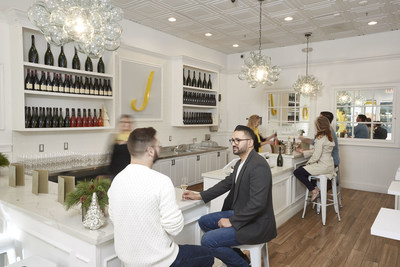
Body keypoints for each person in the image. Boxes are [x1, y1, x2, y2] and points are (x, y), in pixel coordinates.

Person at [108, 127, 214, 267]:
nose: (160, 148)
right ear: (150, 151)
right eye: (158, 145)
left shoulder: (117, 181)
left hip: (128, 261)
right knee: (208, 255)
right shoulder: (161, 181)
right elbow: (174, 228)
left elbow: (113, 217)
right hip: (161, 261)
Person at [183, 125, 277, 267]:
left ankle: (241, 265)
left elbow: (258, 203)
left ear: (250, 142)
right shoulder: (241, 162)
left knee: (208, 240)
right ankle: (241, 259)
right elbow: (226, 183)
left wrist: (232, 220)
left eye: (238, 140)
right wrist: (200, 195)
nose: (233, 143)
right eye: (232, 140)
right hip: (244, 215)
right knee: (204, 221)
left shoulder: (259, 165)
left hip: (257, 224)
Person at [294, 116, 335, 201]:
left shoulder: (320, 138)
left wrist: (308, 163)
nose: (315, 127)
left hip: (323, 166)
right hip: (329, 165)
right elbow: (317, 151)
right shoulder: (328, 137)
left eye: (315, 125)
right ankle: (315, 188)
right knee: (302, 169)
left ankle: (313, 190)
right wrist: (304, 151)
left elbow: (316, 155)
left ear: (319, 126)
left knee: (297, 172)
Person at [109, 114, 134, 179]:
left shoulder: (133, 138)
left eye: (128, 122)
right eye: (123, 122)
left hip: (128, 174)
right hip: (115, 173)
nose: (125, 124)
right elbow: (113, 156)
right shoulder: (115, 136)